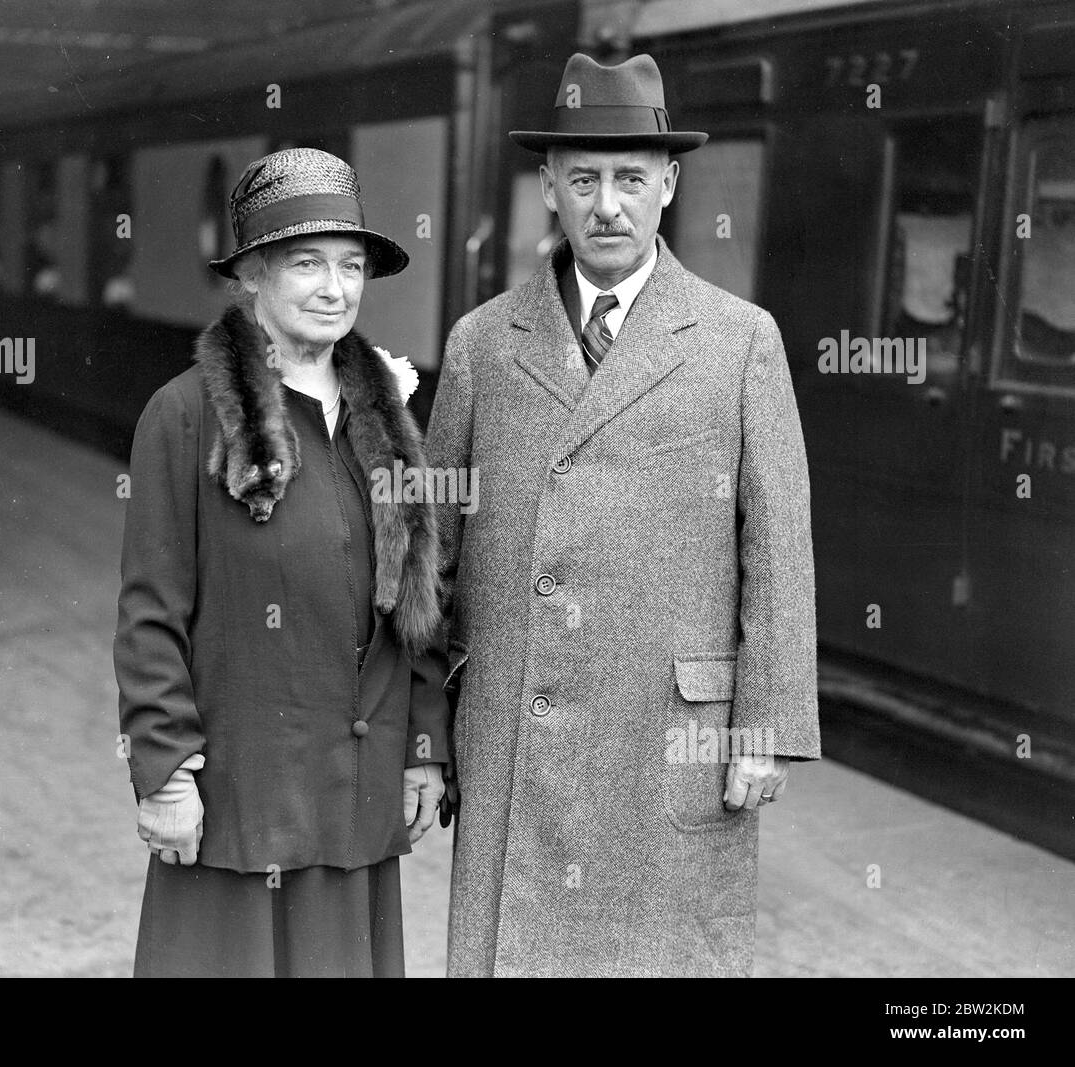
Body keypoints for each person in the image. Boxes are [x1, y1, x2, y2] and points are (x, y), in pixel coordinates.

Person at [426, 53, 822, 977]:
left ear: (670, 184)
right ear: (549, 187)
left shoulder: (739, 340)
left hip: (668, 740)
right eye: (585, 178)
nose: (608, 205)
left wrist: (765, 728)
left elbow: (780, 547)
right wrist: (418, 731)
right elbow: (430, 558)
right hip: (515, 730)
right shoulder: (483, 342)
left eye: (631, 179)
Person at [113, 147, 449, 978]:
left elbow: (421, 606)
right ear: (252, 275)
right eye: (307, 263)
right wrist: (165, 773)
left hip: (354, 803)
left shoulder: (389, 421)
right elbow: (151, 611)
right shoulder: (186, 418)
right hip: (239, 805)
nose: (335, 288)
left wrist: (422, 749)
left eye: (351, 266)